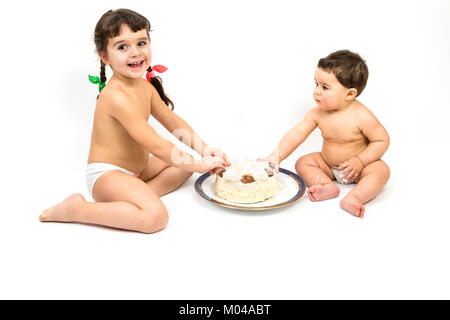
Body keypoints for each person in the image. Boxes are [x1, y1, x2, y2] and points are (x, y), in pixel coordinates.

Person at [40, 9, 230, 233]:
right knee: (156, 217)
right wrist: (199, 165)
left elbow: (172, 121)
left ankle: (131, 200)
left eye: (141, 43)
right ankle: (78, 209)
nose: (135, 53)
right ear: (104, 56)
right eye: (122, 47)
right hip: (108, 176)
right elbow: (155, 144)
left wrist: (204, 151)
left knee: (184, 164)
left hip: (138, 168)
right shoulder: (116, 97)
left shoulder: (145, 87)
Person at [262, 50, 390, 218]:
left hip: (359, 169)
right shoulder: (317, 113)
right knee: (303, 163)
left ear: (350, 93)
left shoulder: (361, 115)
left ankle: (355, 197)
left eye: (325, 87)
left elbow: (381, 140)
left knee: (381, 170)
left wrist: (360, 161)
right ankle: (325, 185)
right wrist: (277, 155)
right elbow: (296, 134)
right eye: (316, 84)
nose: (317, 91)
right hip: (328, 165)